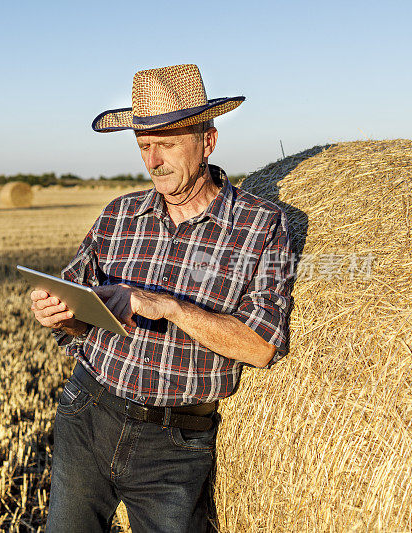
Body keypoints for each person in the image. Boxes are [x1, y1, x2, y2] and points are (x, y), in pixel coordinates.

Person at [29, 64, 294, 532]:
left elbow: (260, 345)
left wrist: (166, 306)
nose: (153, 160)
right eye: (143, 146)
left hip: (174, 444)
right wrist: (59, 314)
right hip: (88, 412)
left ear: (207, 142)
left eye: (166, 144)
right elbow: (80, 314)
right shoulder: (120, 214)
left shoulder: (261, 225)